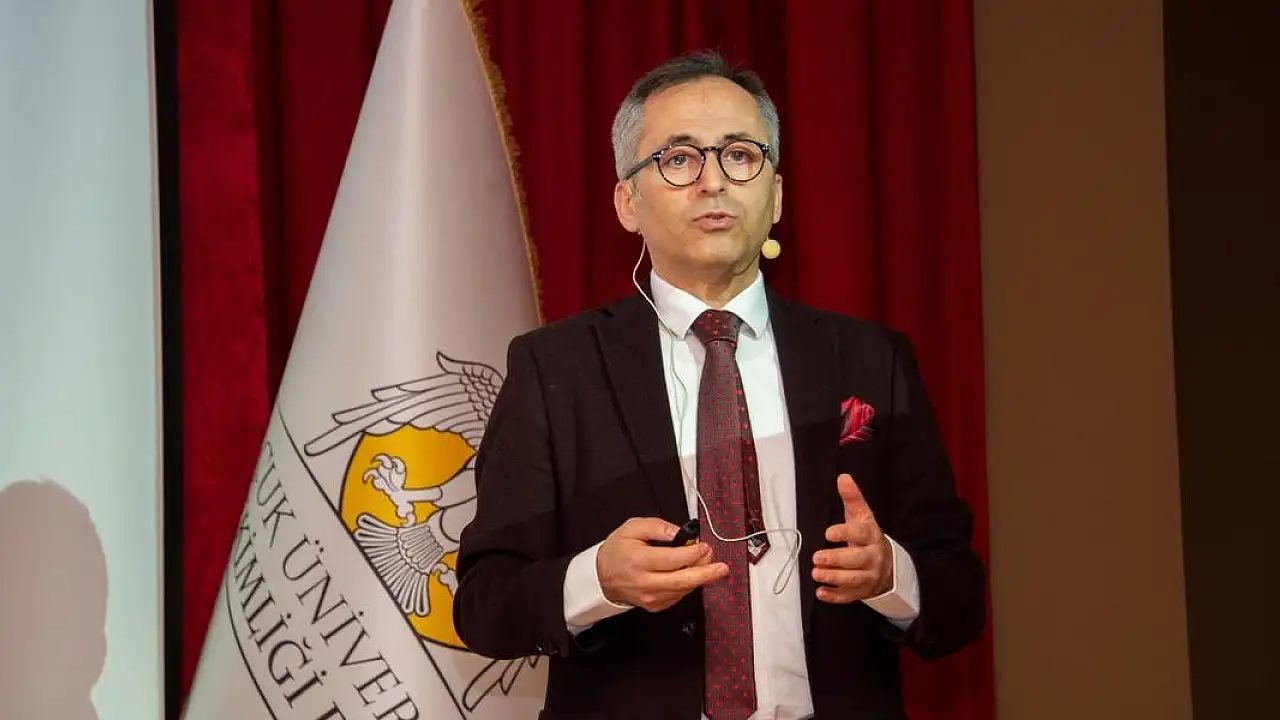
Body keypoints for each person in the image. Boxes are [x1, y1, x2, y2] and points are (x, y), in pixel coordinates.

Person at [453, 49, 985, 719]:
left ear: (776, 195)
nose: (713, 182)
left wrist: (891, 575)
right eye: (679, 159)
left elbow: (959, 594)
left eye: (739, 155)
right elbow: (485, 604)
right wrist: (598, 580)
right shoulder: (555, 368)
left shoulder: (871, 358)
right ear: (626, 202)